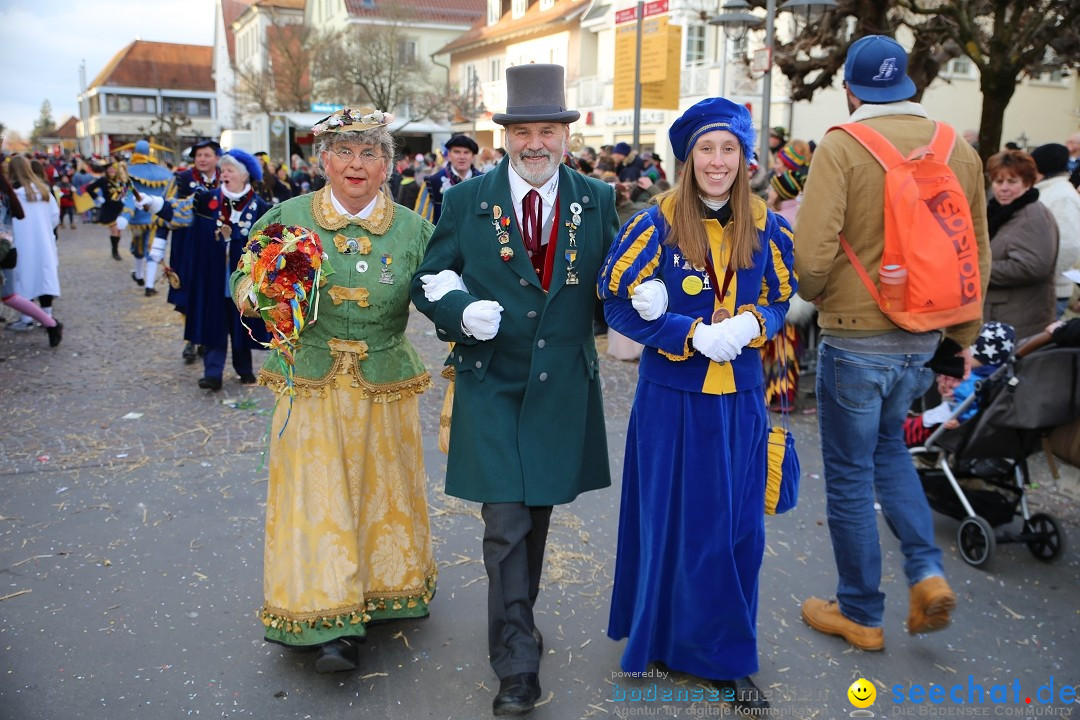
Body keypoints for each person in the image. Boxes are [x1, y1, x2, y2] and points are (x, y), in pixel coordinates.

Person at [410, 64, 614, 717]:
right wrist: (460, 310)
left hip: (561, 394)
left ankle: (515, 620)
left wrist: (646, 297)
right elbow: (433, 276)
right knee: (503, 522)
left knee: (536, 522)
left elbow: (622, 274)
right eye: (522, 130)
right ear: (504, 137)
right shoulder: (467, 200)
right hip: (490, 382)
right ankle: (517, 662)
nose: (535, 143)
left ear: (564, 136)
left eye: (547, 131)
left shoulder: (598, 199)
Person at [794, 35, 990, 651]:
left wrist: (814, 294)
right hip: (922, 336)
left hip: (855, 338)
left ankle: (861, 612)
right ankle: (926, 573)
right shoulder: (956, 147)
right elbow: (975, 255)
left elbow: (813, 256)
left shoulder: (842, 146)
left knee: (851, 475)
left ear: (850, 89)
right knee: (890, 453)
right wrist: (959, 340)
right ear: (908, 87)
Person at [599, 97, 793, 714]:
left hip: (739, 405)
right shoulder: (651, 225)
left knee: (736, 531)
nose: (717, 161)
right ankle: (659, 636)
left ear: (745, 157)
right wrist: (684, 332)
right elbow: (615, 302)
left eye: (728, 149)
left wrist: (750, 326)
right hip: (670, 402)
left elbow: (781, 300)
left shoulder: (768, 226)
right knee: (668, 522)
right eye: (706, 149)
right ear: (687, 158)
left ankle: (726, 658)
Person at [229, 108, 437, 674]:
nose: (356, 164)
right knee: (316, 497)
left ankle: (385, 592)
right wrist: (260, 292)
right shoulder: (289, 216)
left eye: (371, 154)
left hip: (384, 385)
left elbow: (443, 294)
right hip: (310, 383)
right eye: (345, 152)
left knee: (379, 490)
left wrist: (468, 320)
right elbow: (244, 279)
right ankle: (329, 623)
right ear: (324, 160)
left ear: (389, 167)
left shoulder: (414, 230)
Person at [141, 149, 272, 390]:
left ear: (244, 176)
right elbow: (179, 211)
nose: (224, 175)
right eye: (223, 170)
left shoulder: (260, 206)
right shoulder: (206, 200)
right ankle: (212, 373)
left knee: (241, 323)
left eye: (230, 171)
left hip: (243, 279)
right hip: (211, 276)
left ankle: (244, 369)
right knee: (213, 321)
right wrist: (154, 204)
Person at [982, 149, 1058, 340]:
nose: (1004, 188)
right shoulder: (1000, 212)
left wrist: (976, 269)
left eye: (1012, 181)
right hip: (999, 316)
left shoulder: (1032, 216)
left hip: (1017, 320)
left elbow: (1032, 266)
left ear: (1027, 182)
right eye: (999, 182)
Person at [902, 321, 1016, 446]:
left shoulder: (981, 380)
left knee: (910, 430)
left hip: (956, 422)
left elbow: (977, 408)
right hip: (958, 417)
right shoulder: (994, 375)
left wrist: (962, 420)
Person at [168, 138, 222, 363]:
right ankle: (190, 340)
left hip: (216, 244)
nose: (202, 159)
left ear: (216, 158)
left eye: (206, 155)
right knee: (188, 288)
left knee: (212, 291)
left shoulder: (225, 178)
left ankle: (207, 337)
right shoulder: (182, 179)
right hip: (187, 243)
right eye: (198, 155)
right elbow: (167, 210)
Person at [1, 160, 62, 345]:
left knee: (22, 278)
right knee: (43, 276)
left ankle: (28, 319)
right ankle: (47, 316)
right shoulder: (44, 192)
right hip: (43, 240)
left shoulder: (12, 194)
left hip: (19, 241)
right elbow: (54, 217)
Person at [1030, 143, 1080, 319]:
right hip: (1037, 289)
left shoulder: (1063, 197)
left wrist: (1040, 276)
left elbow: (1067, 246)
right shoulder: (1047, 191)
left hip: (1050, 291)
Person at [123, 140, 175, 296]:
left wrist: (125, 215)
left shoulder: (131, 171)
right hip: (157, 218)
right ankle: (147, 282)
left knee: (141, 248)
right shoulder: (163, 172)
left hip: (139, 219)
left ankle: (144, 279)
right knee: (151, 250)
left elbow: (130, 197)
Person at [419, 134, 483, 223]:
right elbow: (423, 220)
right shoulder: (432, 182)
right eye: (457, 152)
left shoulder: (485, 181)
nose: (462, 157)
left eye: (466, 152)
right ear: (449, 155)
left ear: (473, 156)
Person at [82, 161, 129, 260]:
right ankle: (115, 251)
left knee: (119, 231)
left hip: (120, 208)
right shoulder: (103, 180)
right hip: (108, 208)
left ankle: (115, 248)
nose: (111, 170)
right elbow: (89, 188)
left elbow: (128, 189)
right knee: (115, 230)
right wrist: (97, 198)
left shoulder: (121, 180)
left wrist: (125, 197)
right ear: (107, 170)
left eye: (113, 169)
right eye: (110, 169)